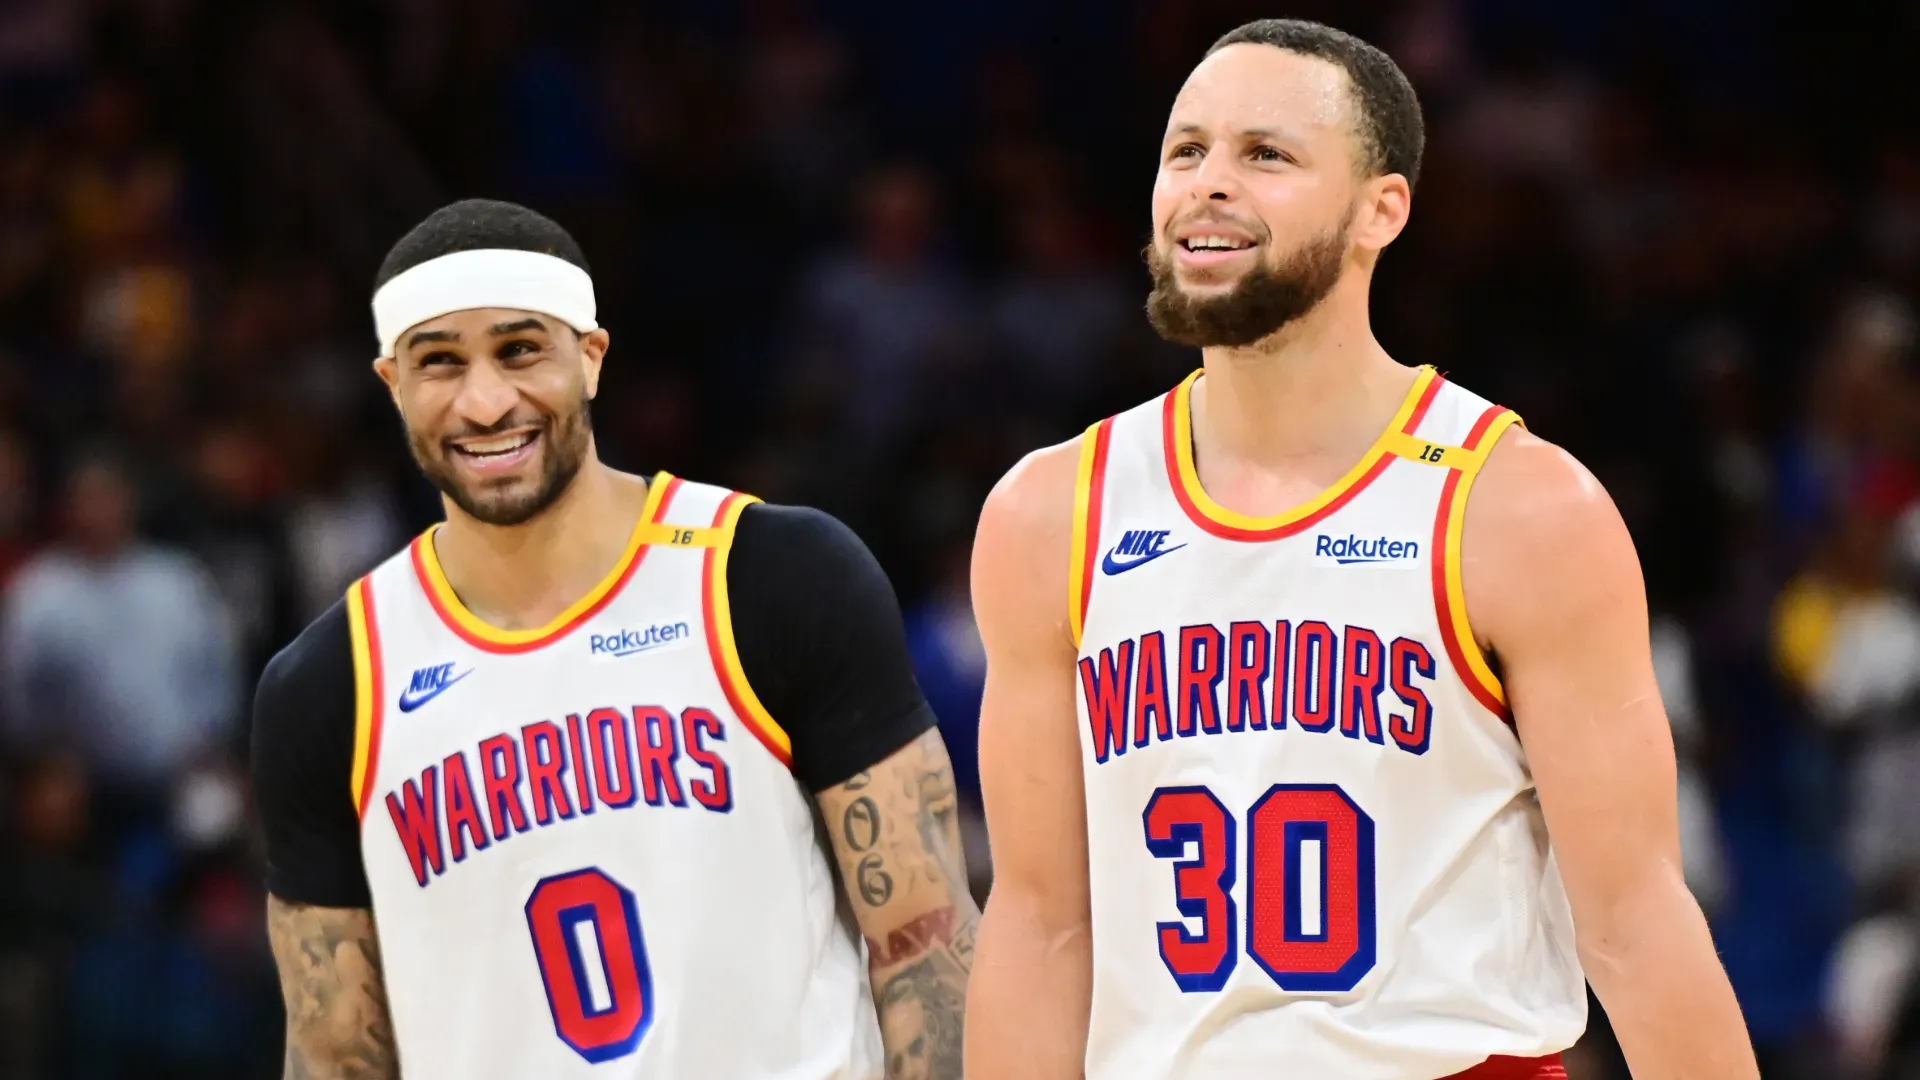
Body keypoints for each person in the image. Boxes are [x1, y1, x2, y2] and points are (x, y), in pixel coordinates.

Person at [964, 19, 1758, 1080]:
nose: (1207, 183)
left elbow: (1636, 921)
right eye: (1185, 151)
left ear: (1382, 210)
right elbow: (1038, 926)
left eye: (1266, 155)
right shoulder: (1049, 513)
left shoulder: (1517, 508)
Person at [250, 199, 976, 1079]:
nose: (485, 402)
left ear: (591, 358)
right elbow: (332, 1055)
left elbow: (926, 944)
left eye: (521, 351)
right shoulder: (332, 683)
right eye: (440, 362)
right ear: (392, 384)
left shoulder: (770, 575)